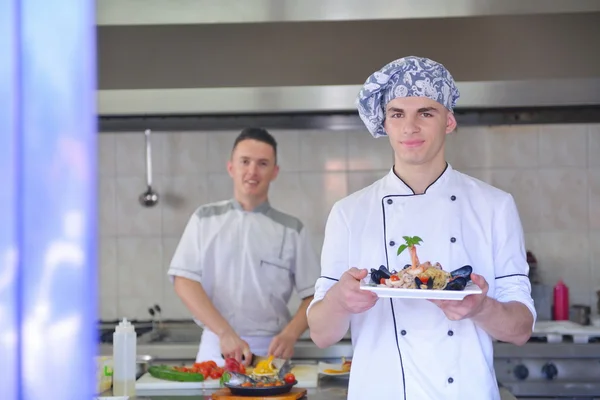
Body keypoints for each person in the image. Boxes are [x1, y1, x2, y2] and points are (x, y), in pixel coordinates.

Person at [307, 56, 536, 400]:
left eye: (425, 113)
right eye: (397, 114)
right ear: (385, 123)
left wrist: (481, 307)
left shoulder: (494, 206)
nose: (409, 127)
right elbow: (322, 335)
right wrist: (340, 300)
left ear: (448, 121)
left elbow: (521, 329)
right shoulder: (349, 213)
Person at [168, 127, 320, 366]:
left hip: (271, 352)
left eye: (262, 163)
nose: (252, 171)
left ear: (274, 171)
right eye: (245, 161)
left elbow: (313, 294)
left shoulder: (292, 229)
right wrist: (224, 333)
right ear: (231, 167)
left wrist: (290, 334)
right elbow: (184, 280)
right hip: (216, 347)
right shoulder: (204, 219)